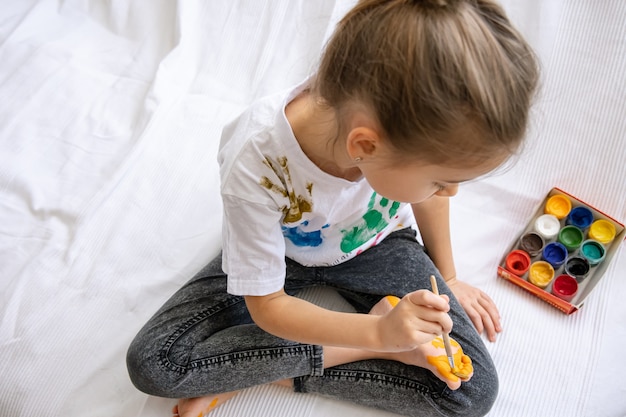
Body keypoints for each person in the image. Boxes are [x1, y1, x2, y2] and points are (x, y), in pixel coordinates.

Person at [126, 0, 539, 416]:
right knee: (155, 364)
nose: (448, 194)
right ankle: (320, 354)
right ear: (365, 145)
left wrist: (448, 276)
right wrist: (376, 334)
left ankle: (259, 370)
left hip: (378, 244)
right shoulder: (256, 163)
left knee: (471, 391)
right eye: (439, 180)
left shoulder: (389, 122)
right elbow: (268, 305)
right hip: (283, 252)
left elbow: (428, 196)